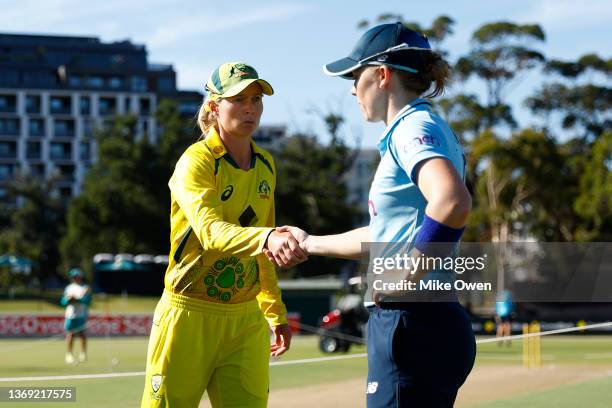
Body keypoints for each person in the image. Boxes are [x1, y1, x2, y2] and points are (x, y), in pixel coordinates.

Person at [266, 23, 476, 407]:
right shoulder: (422, 126)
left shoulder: (412, 127)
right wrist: (310, 243)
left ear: (382, 75)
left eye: (354, 76)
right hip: (425, 321)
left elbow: (453, 201)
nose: (350, 89)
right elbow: (387, 233)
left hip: (411, 322)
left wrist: (406, 274)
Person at [141, 62, 306, 407]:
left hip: (246, 320)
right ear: (215, 107)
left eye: (256, 99)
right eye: (238, 99)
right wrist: (267, 237)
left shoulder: (266, 163)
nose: (250, 108)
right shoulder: (196, 162)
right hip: (188, 313)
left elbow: (265, 248)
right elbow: (211, 231)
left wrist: (274, 312)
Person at [61, 267, 91, 364]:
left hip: (81, 314)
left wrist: (77, 299)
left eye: (77, 276)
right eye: (74, 277)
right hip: (70, 315)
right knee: (70, 335)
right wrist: (69, 300)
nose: (76, 278)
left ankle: (83, 353)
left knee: (82, 335)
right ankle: (69, 354)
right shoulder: (69, 288)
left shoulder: (85, 288)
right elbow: (63, 302)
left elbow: (88, 301)